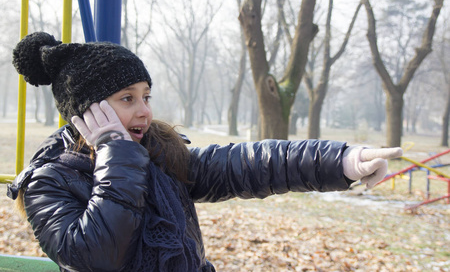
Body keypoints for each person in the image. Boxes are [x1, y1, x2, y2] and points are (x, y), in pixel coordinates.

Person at [7, 32, 402, 272]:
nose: (144, 109)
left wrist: (342, 160)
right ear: (88, 111)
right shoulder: (49, 181)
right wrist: (114, 151)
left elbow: (248, 166)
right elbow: (97, 257)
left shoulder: (159, 153)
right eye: (127, 98)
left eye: (146, 95)